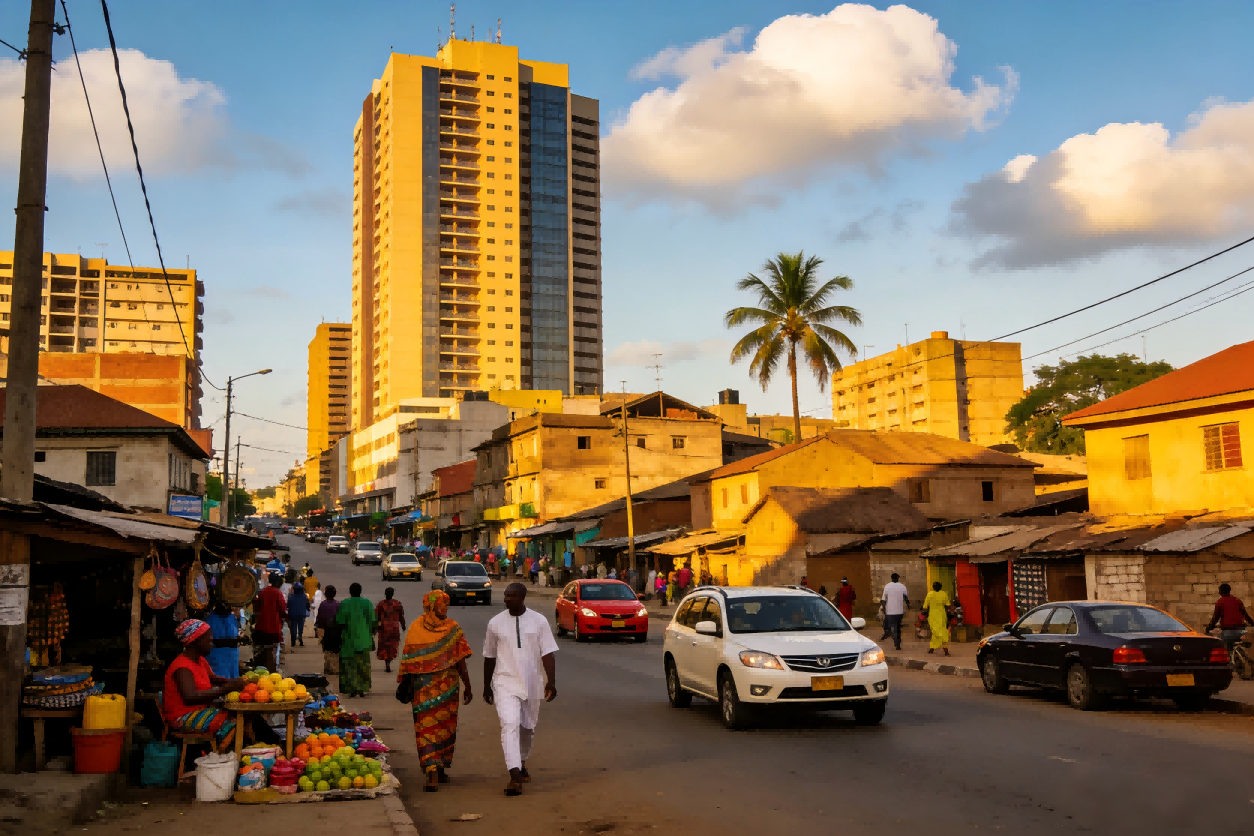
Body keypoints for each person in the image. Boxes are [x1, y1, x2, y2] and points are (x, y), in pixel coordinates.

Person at [483, 583, 558, 797]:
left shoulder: (539, 621)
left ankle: (521, 760)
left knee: (527, 728)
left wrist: (550, 681)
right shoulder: (495, 623)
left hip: (532, 683)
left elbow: (548, 653)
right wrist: (486, 685)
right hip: (504, 682)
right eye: (506, 595)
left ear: (522, 597)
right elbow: (489, 656)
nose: (507, 599)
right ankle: (514, 776)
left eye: (512, 596)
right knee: (509, 724)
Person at [399, 590, 473, 793]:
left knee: (438, 728)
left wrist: (467, 685)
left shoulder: (420, 628)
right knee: (432, 728)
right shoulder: (449, 628)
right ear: (431, 606)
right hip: (433, 689)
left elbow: (460, 660)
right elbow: (408, 661)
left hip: (435, 690)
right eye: (442, 605)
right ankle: (433, 771)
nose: (445, 609)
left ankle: (437, 768)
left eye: (446, 605)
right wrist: (467, 685)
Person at [162, 619, 246, 746]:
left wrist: (237, 683)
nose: (212, 644)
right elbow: (190, 698)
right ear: (195, 641)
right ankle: (223, 754)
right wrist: (227, 688)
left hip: (200, 711)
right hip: (182, 717)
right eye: (209, 640)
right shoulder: (182, 667)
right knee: (235, 721)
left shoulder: (200, 661)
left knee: (245, 715)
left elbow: (215, 680)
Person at [336, 583, 377, 697]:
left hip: (348, 641)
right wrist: (371, 633)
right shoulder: (367, 603)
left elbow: (340, 622)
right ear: (360, 591)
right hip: (364, 640)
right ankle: (362, 689)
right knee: (363, 666)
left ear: (350, 592)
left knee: (349, 666)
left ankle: (352, 689)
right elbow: (373, 621)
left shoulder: (345, 603)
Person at [252, 573, 286, 673]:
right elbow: (283, 610)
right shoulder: (278, 593)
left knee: (261, 652)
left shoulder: (262, 592)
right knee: (272, 653)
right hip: (274, 628)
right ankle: (271, 672)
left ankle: (260, 671)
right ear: (278, 582)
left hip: (260, 628)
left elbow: (256, 607)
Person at [1205, 583, 1254, 651]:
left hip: (1229, 631)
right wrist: (1252, 624)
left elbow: (1215, 619)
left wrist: (1208, 628)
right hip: (1242, 630)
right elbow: (1245, 615)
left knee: (1218, 642)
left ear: (1220, 591)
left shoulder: (1220, 602)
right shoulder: (1238, 600)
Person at [206, 603, 244, 679]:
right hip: (218, 659)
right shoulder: (210, 619)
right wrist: (234, 641)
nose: (229, 608)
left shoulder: (231, 617)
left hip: (233, 659)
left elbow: (234, 635)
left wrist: (238, 639)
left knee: (234, 687)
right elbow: (212, 640)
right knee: (222, 684)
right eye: (225, 605)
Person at [375, 587, 407, 673]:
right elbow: (401, 616)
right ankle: (388, 662)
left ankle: (387, 663)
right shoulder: (397, 604)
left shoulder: (381, 604)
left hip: (384, 629)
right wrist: (403, 626)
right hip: (394, 629)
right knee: (392, 647)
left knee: (385, 646)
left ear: (385, 594)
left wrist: (375, 628)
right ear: (392, 594)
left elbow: (376, 617)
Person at [879, 573, 910, 651]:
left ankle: (895, 640)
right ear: (898, 578)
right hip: (899, 612)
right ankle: (897, 643)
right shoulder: (902, 586)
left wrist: (881, 608)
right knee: (897, 628)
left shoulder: (887, 586)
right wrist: (909, 606)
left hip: (889, 612)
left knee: (893, 628)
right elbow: (906, 598)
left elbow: (883, 599)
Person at [316, 585, 342, 676]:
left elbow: (319, 619)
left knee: (327, 651)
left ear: (326, 594)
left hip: (327, 631)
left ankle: (328, 668)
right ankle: (336, 669)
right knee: (336, 651)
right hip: (337, 631)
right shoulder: (339, 604)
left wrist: (319, 630)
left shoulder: (323, 604)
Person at [923, 581, 952, 656]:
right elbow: (946, 606)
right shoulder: (944, 594)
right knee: (941, 633)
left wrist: (927, 616)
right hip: (942, 616)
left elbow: (926, 607)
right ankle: (944, 651)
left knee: (936, 633)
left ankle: (934, 649)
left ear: (933, 587)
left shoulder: (930, 594)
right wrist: (948, 618)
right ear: (941, 587)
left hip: (932, 616)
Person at [288, 582, 310, 648]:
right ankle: (300, 638)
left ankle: (293, 641)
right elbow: (307, 605)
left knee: (293, 628)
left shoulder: (291, 596)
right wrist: (308, 609)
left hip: (292, 614)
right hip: (301, 614)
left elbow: (288, 605)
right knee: (301, 627)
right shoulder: (304, 596)